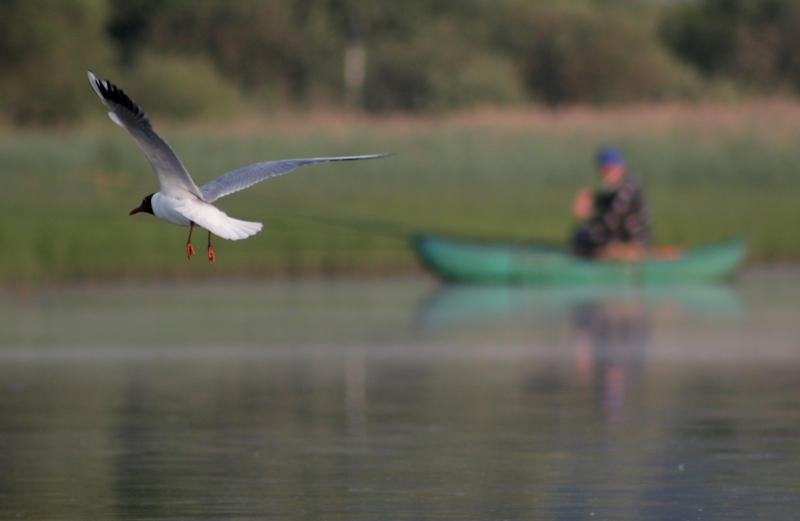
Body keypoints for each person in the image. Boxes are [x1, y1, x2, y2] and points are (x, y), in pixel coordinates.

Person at [570, 147, 651, 260]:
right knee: (581, 234)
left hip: (633, 245)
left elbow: (612, 220)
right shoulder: (616, 188)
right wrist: (589, 202)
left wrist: (592, 236)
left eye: (608, 170)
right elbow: (602, 208)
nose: (606, 174)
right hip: (619, 241)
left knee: (583, 241)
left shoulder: (628, 188)